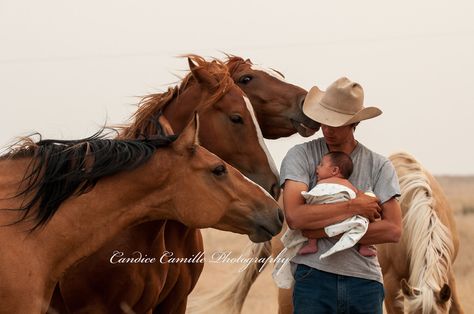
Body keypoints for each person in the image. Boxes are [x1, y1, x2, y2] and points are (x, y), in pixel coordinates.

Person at [280, 77, 402, 313]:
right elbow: (295, 218)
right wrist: (355, 208)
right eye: (324, 121)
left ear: (354, 123)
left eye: (335, 124)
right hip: (312, 278)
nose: (327, 129)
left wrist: (318, 231)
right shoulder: (300, 155)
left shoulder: (380, 165)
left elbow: (393, 230)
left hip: (365, 282)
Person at [272, 151, 376, 290]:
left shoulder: (322, 182)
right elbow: (357, 195)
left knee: (313, 218)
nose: (317, 168)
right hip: (343, 216)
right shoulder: (348, 184)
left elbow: (315, 199)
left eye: (321, 165)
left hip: (330, 213)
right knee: (361, 222)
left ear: (334, 170)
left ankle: (312, 244)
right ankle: (364, 246)